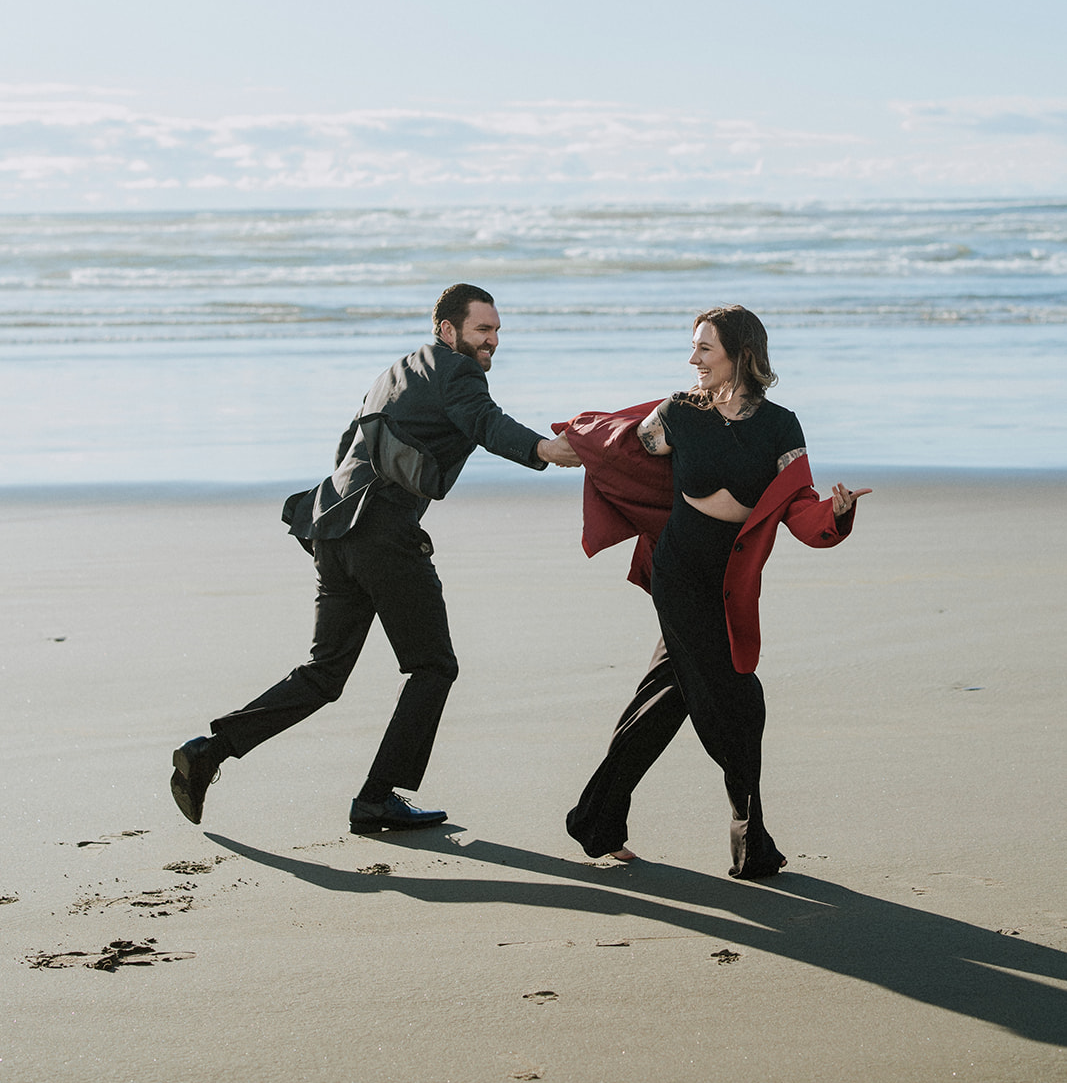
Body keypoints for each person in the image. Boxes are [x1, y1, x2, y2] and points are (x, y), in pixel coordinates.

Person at [169, 283, 579, 833]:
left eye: (498, 330)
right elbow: (483, 420)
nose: (493, 341)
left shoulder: (395, 373)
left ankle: (210, 751)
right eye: (483, 329)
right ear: (447, 330)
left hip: (335, 529)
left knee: (323, 673)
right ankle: (376, 798)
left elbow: (347, 449)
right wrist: (542, 450)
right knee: (433, 666)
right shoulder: (457, 372)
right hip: (382, 532)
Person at [561, 305, 870, 879]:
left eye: (705, 348)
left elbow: (798, 504)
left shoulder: (781, 425)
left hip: (729, 578)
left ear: (741, 354)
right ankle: (751, 842)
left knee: (661, 700)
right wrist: (576, 441)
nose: (692, 358)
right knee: (739, 702)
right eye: (694, 346)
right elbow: (630, 448)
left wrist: (836, 513)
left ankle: (595, 818)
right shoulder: (678, 412)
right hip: (677, 571)